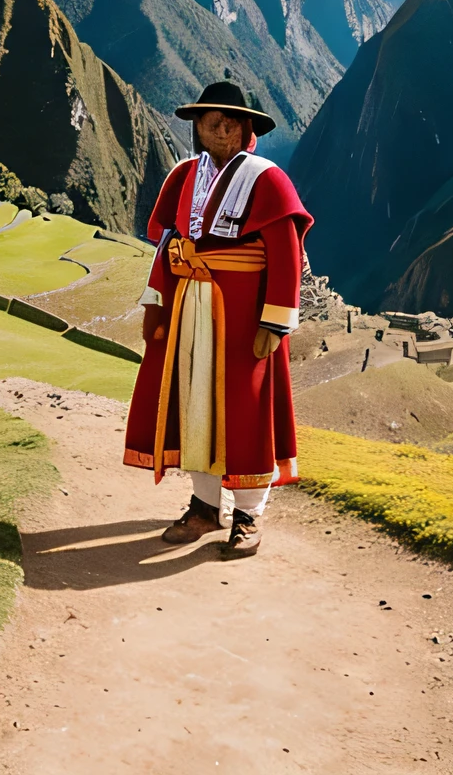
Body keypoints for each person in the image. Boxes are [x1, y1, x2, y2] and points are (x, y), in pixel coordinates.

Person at [123, 80, 312, 558]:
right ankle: (205, 507)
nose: (220, 128)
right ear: (197, 128)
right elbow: (169, 245)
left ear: (246, 128)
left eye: (230, 120)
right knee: (195, 404)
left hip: (244, 315)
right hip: (190, 308)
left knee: (247, 411)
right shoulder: (184, 177)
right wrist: (157, 302)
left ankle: (248, 515)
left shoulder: (268, 180)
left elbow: (285, 252)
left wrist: (275, 320)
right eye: (210, 121)